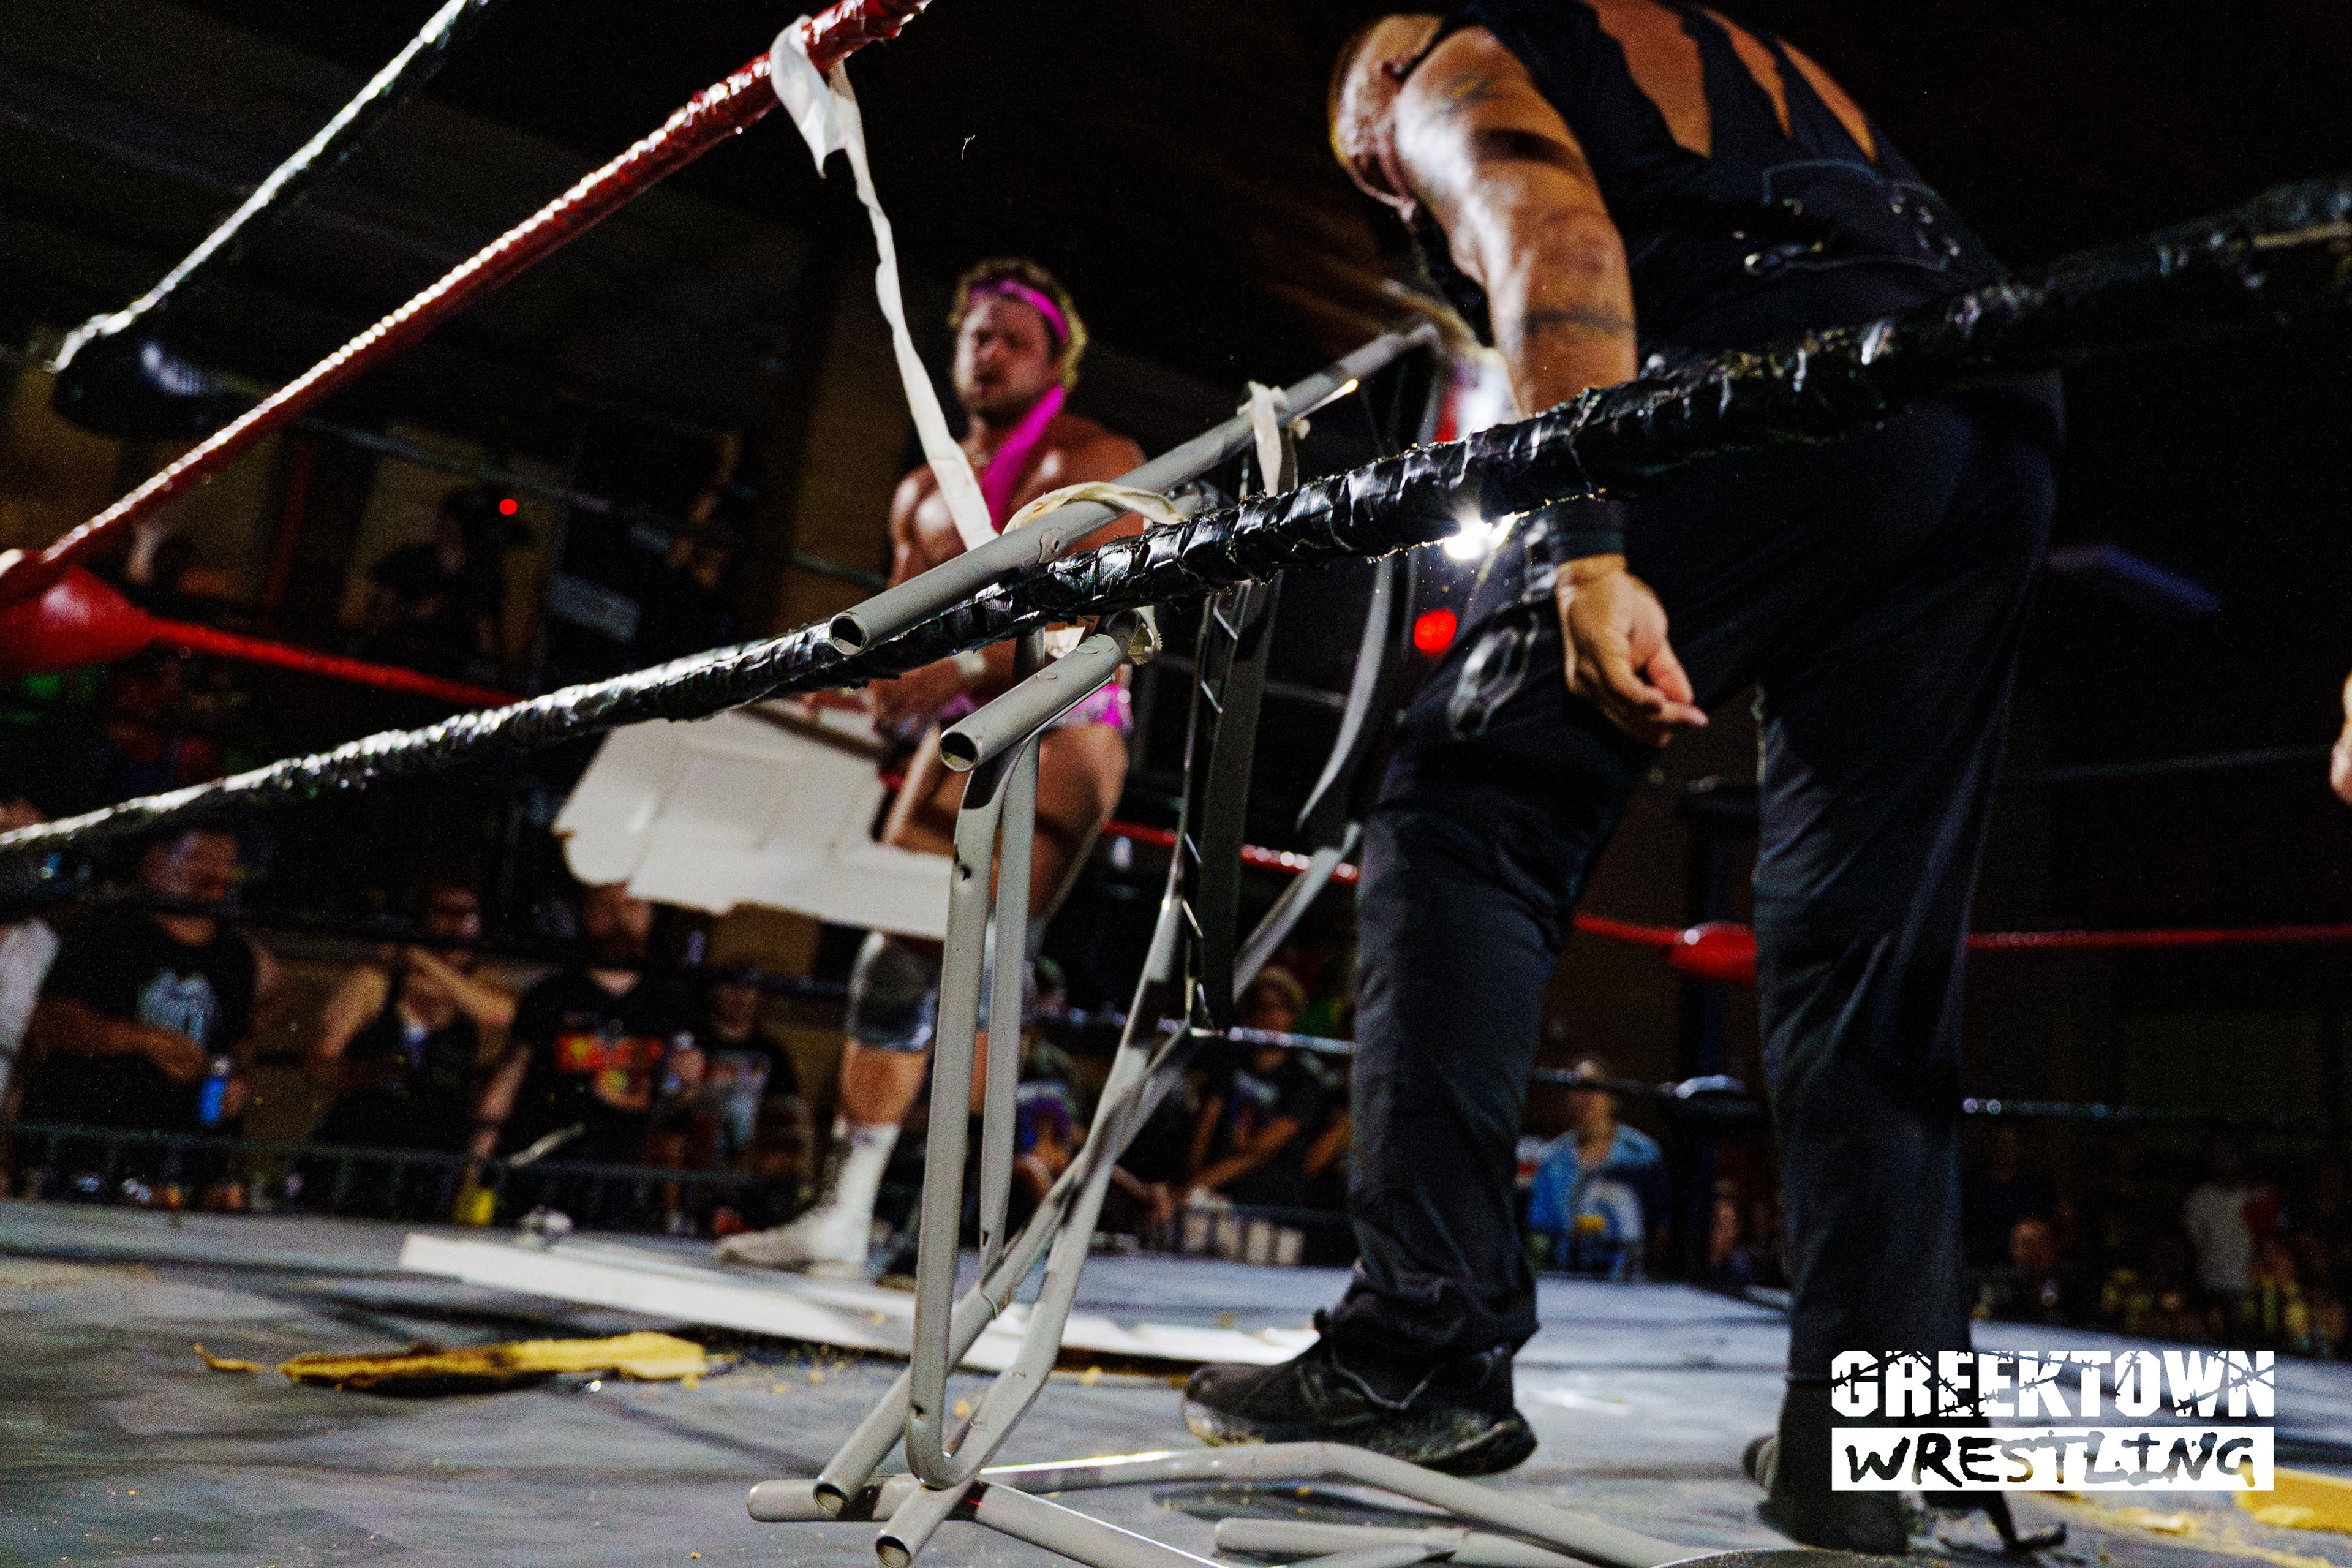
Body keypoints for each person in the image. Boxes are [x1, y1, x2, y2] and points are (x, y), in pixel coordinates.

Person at [1185, 5, 2064, 1547]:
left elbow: (1549, 236)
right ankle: (1875, 1437)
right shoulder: (1734, 61)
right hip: (1993, 395)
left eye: (1370, 168)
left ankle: (1422, 1341)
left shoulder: (1447, 63)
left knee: (1463, 806)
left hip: (1779, 369)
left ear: (1382, 82)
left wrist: (1588, 551)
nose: (1390, 197)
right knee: (1857, 936)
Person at [718, 258, 1146, 1275]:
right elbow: (898, 633)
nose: (989, 354)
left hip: (1060, 719)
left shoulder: (1093, 461)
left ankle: (956, 1212)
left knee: (979, 959)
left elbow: (1092, 623)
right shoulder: (922, 490)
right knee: (891, 960)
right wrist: (847, 687)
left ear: (1055, 365)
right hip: (953, 730)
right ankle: (844, 1209)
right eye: (977, 336)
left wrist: (959, 665)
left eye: (1014, 341)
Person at [19, 826, 275, 1154]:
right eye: (196, 858)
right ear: (155, 860)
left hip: (177, 1150)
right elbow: (55, 1021)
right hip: (88, 1139)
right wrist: (147, 1041)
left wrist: (234, 1082)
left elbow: (233, 1043)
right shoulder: (107, 933)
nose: (212, 875)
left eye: (224, 864)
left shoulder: (236, 957)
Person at [470, 883, 701, 1186]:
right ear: (585, 911)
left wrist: (690, 1083)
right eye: (604, 905)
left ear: (651, 913)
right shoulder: (550, 996)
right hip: (544, 1170)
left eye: (631, 905)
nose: (618, 917)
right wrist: (476, 1164)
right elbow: (509, 1079)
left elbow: (684, 1105)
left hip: (624, 1178)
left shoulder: (674, 1004)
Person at [307, 878, 512, 1155]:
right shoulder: (376, 983)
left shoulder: (485, 986)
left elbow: (498, 1016)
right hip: (366, 1136)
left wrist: (423, 960)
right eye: (446, 913)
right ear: (424, 919)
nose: (459, 924)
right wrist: (362, 1076)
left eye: (469, 915)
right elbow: (319, 1061)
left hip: (438, 1146)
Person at [1183, 971, 1327, 1210]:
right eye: (1261, 1007)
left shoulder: (1305, 1080)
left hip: (1266, 1205)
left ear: (1292, 1014)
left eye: (1279, 1007)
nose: (1270, 1016)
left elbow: (1259, 1151)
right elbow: (1204, 1128)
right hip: (1207, 1193)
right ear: (1249, 1014)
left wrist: (1191, 1188)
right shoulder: (1231, 1063)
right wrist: (1189, 1184)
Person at [1525, 1059, 1667, 1278]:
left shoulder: (1644, 1154)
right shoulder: (1552, 1159)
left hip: (1629, 1283)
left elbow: (1661, 1228)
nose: (1586, 1097)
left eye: (1593, 1087)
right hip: (1568, 1281)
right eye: (1578, 1089)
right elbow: (1540, 1234)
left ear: (1611, 1097)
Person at [360, 486, 511, 679]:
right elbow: (375, 620)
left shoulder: (482, 576)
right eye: (449, 518)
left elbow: (489, 638)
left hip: (447, 675)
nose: (450, 526)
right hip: (398, 666)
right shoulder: (410, 561)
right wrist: (412, 612)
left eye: (461, 521)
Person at [2182, 1139, 2268, 1338]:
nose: (2226, 1162)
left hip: (2248, 1289)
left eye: (2231, 1156)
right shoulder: (2200, 1199)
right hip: (2209, 1286)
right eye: (2220, 1157)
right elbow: (2194, 1244)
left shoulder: (2255, 1197)